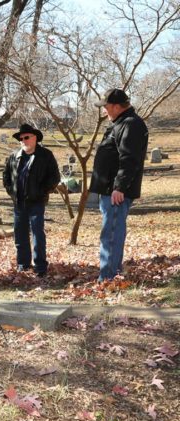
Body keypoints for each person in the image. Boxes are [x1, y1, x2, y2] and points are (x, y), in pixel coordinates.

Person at [90, 89, 148, 281]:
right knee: (110, 233)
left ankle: (108, 278)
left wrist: (120, 187)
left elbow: (129, 159)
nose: (105, 111)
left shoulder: (131, 124)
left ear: (116, 106)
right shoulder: (121, 123)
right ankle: (110, 274)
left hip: (115, 191)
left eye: (106, 107)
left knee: (111, 235)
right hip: (109, 190)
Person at [3, 123, 60, 277]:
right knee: (20, 234)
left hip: (36, 202)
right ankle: (23, 264)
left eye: (26, 137)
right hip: (19, 203)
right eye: (20, 138)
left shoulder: (46, 155)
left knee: (37, 234)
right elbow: (6, 176)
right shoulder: (14, 156)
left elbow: (54, 177)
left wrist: (41, 192)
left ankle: (40, 266)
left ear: (35, 138)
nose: (23, 141)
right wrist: (11, 191)